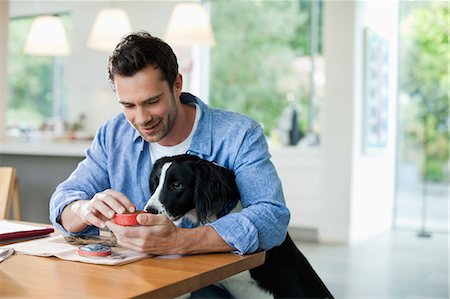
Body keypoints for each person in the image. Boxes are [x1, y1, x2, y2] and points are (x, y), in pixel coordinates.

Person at [49, 31, 290, 296]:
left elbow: (272, 217)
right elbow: (63, 201)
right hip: (140, 282)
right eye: (128, 105)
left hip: (219, 286)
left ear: (177, 85)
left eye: (152, 101)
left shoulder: (238, 134)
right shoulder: (113, 134)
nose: (141, 118)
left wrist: (179, 242)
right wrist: (84, 209)